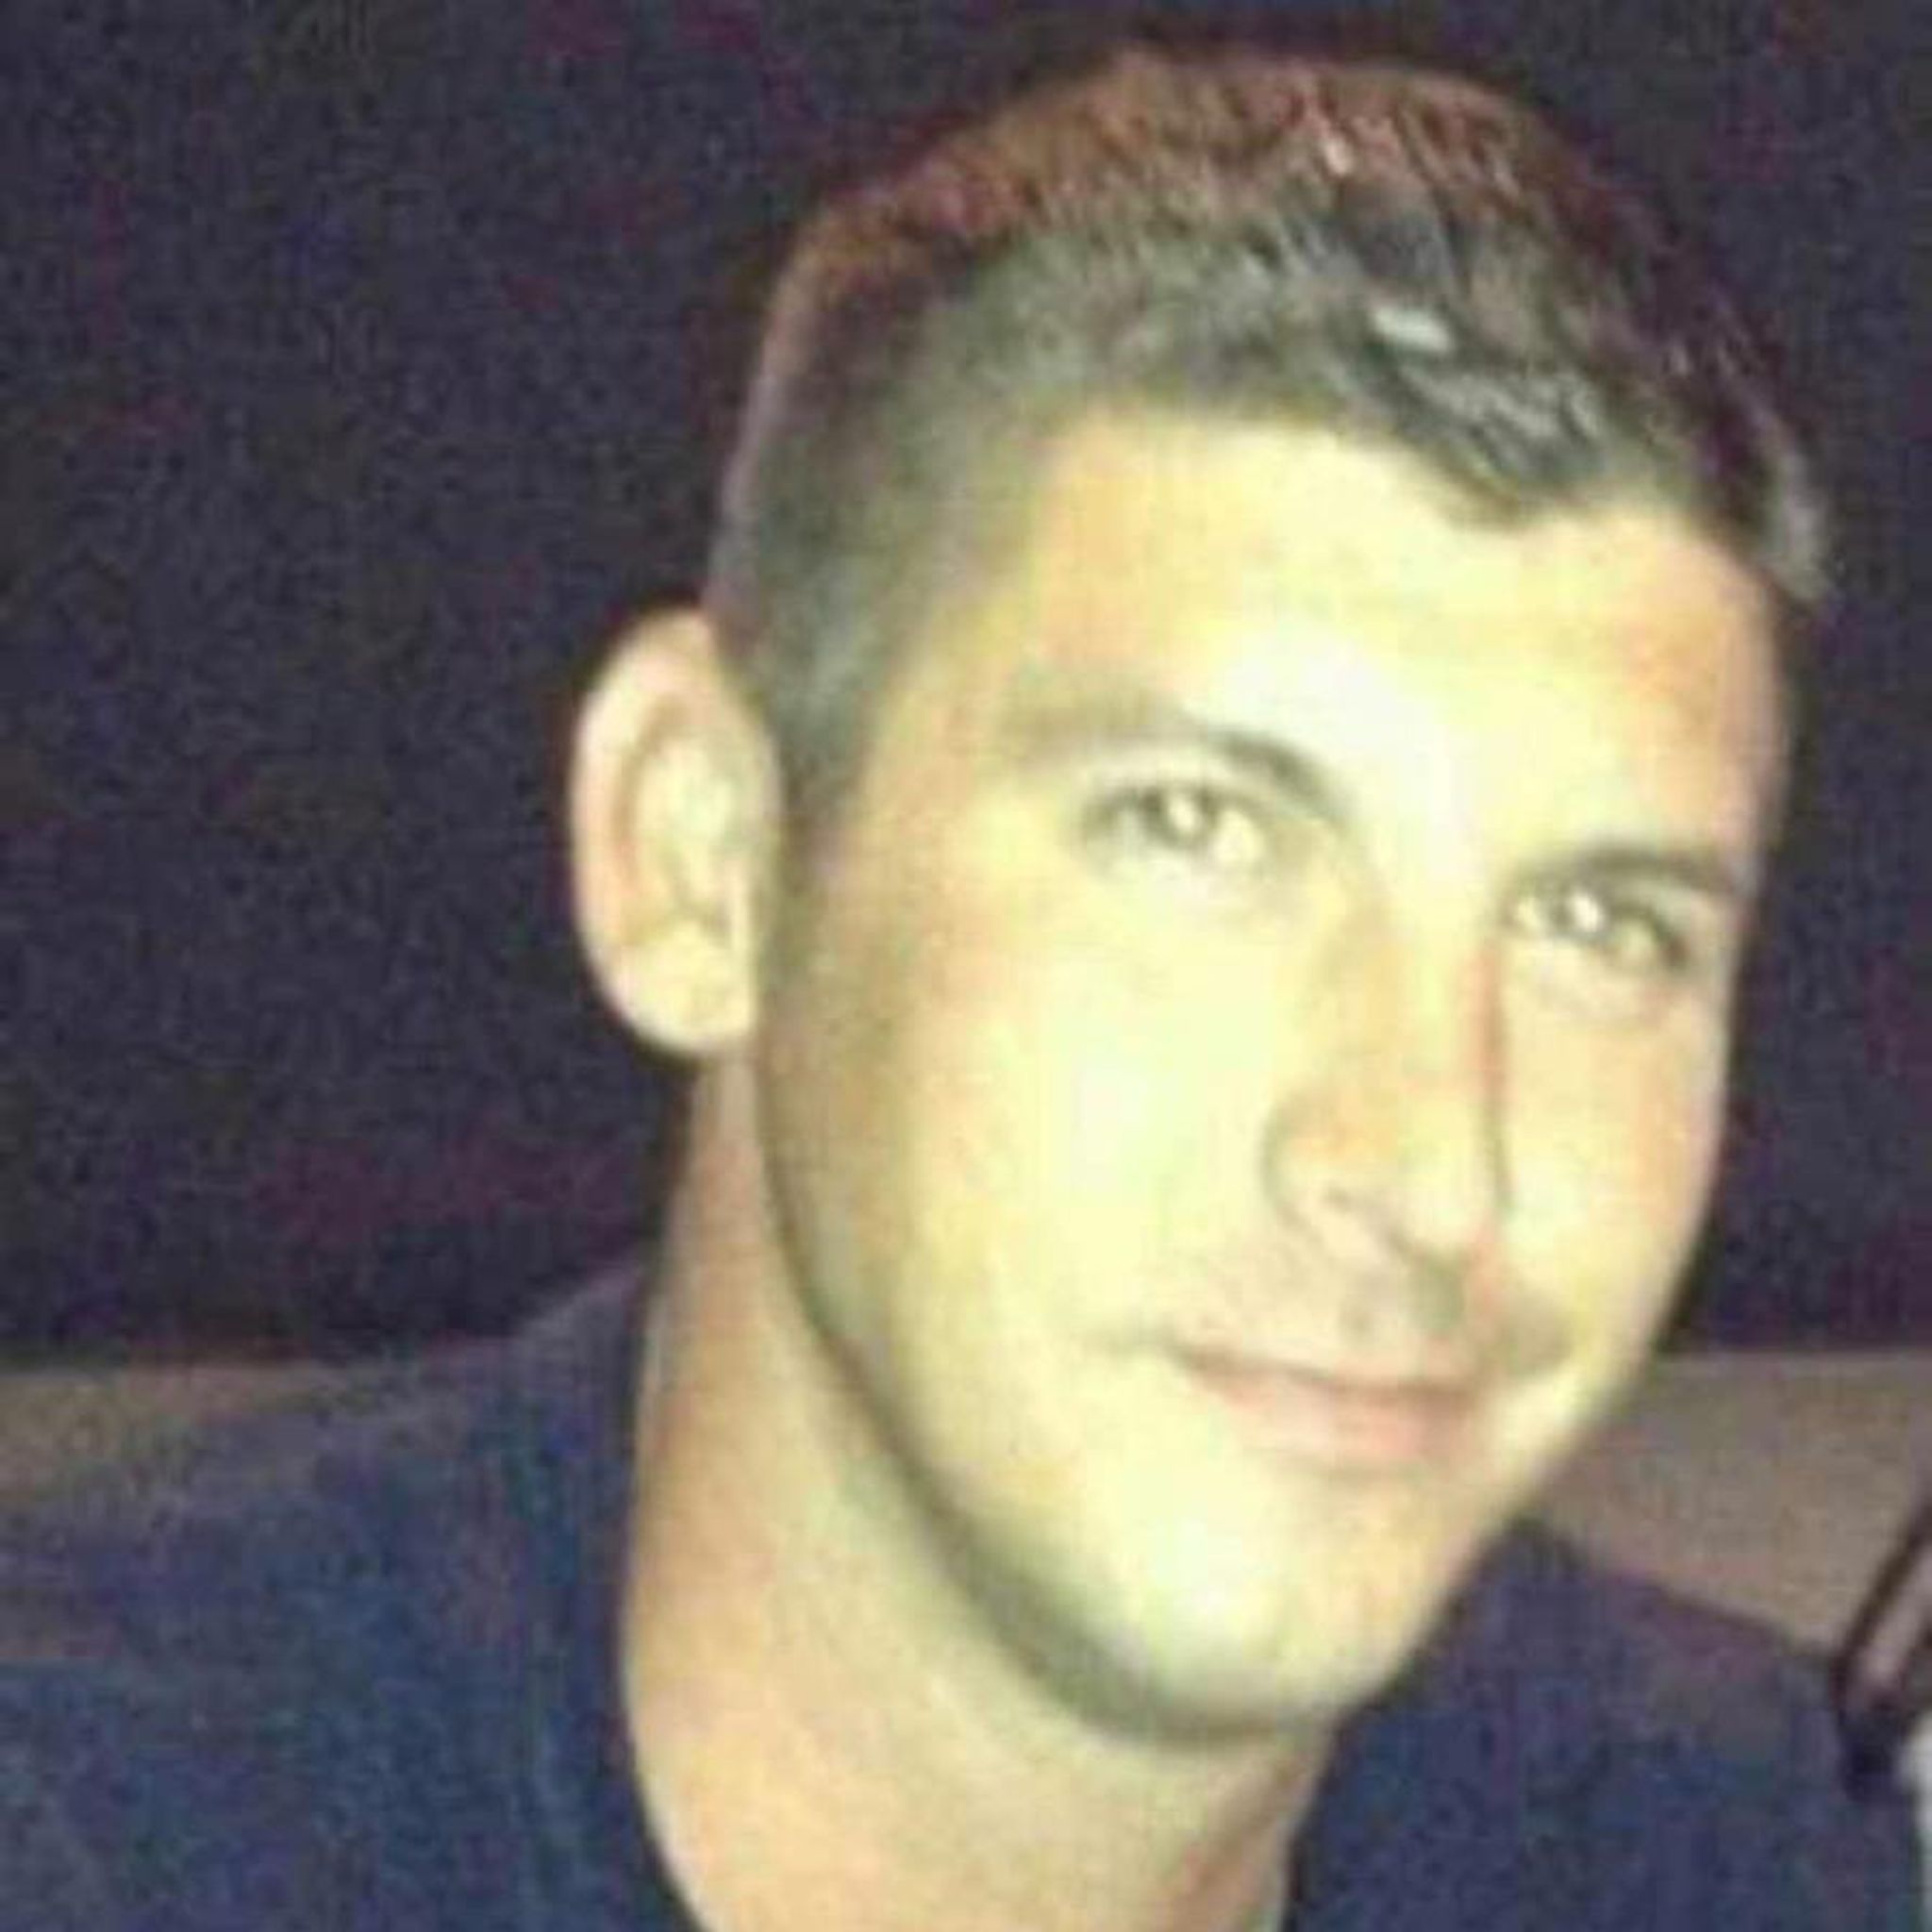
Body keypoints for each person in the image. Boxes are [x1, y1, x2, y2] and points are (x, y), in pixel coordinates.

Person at [2, 40, 1920, 1931]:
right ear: (704, 857)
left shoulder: (1736, 1859)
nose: (1427, 1165)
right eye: (1194, 827)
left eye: (1602, 924)